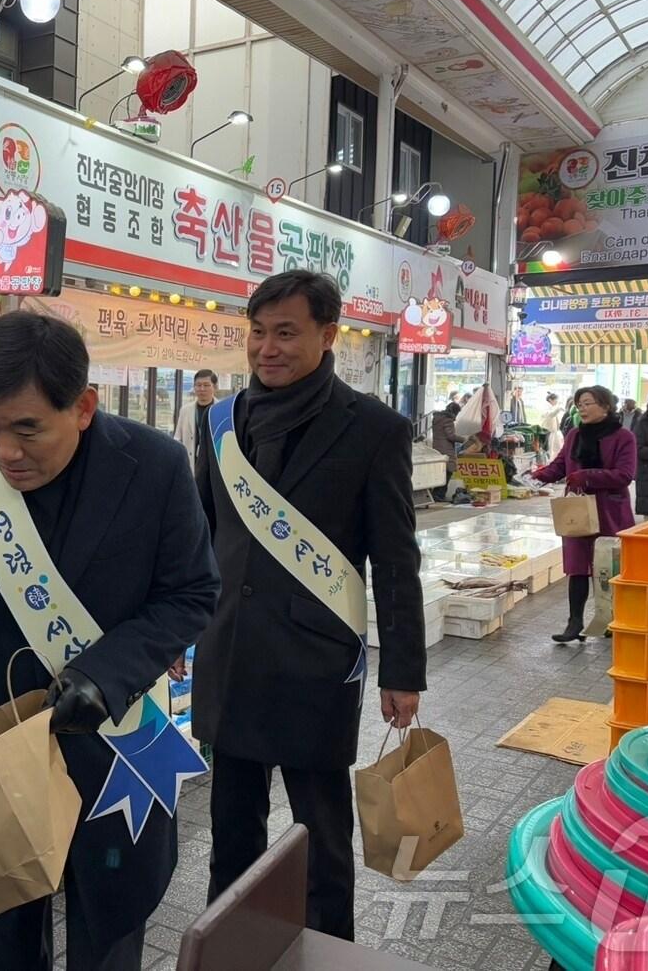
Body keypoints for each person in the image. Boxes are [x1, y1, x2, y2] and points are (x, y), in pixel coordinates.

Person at [0, 311, 219, 971]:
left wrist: (105, 673)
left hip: (119, 733)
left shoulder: (155, 465)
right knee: (8, 920)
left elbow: (191, 594)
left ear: (83, 407)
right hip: (0, 734)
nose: (4, 451)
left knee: (111, 921)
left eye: (26, 429)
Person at [191, 270, 425, 941]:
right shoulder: (220, 422)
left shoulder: (374, 429)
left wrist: (402, 670)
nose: (268, 348)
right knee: (231, 833)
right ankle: (228, 948)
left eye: (286, 333)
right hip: (230, 653)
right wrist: (185, 629)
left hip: (315, 666)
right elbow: (202, 535)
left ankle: (327, 953)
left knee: (320, 835)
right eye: (258, 333)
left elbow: (396, 555)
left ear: (328, 335)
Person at [531, 386, 636, 644]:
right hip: (577, 510)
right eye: (579, 404)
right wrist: (537, 475)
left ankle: (612, 619)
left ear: (606, 406)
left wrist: (587, 476)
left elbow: (625, 475)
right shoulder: (575, 434)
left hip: (611, 511)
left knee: (609, 568)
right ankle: (574, 623)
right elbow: (560, 465)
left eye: (588, 403)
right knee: (577, 568)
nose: (582, 408)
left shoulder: (624, 437)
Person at [174, 369, 219, 471]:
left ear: (215, 387)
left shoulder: (221, 409)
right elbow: (177, 439)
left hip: (213, 465)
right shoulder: (185, 410)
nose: (202, 389)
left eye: (206, 385)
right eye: (198, 385)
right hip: (191, 464)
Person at [430, 400, 463, 477]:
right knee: (446, 477)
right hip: (446, 451)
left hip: (437, 449)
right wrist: (464, 439)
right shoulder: (448, 420)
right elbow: (451, 436)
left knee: (439, 478)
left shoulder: (437, 418)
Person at [540, 391, 566, 460]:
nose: (557, 402)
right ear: (550, 400)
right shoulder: (545, 407)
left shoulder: (552, 407)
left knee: (556, 448)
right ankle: (548, 461)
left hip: (554, 431)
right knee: (549, 449)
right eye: (556, 400)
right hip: (548, 431)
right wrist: (558, 409)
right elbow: (551, 414)